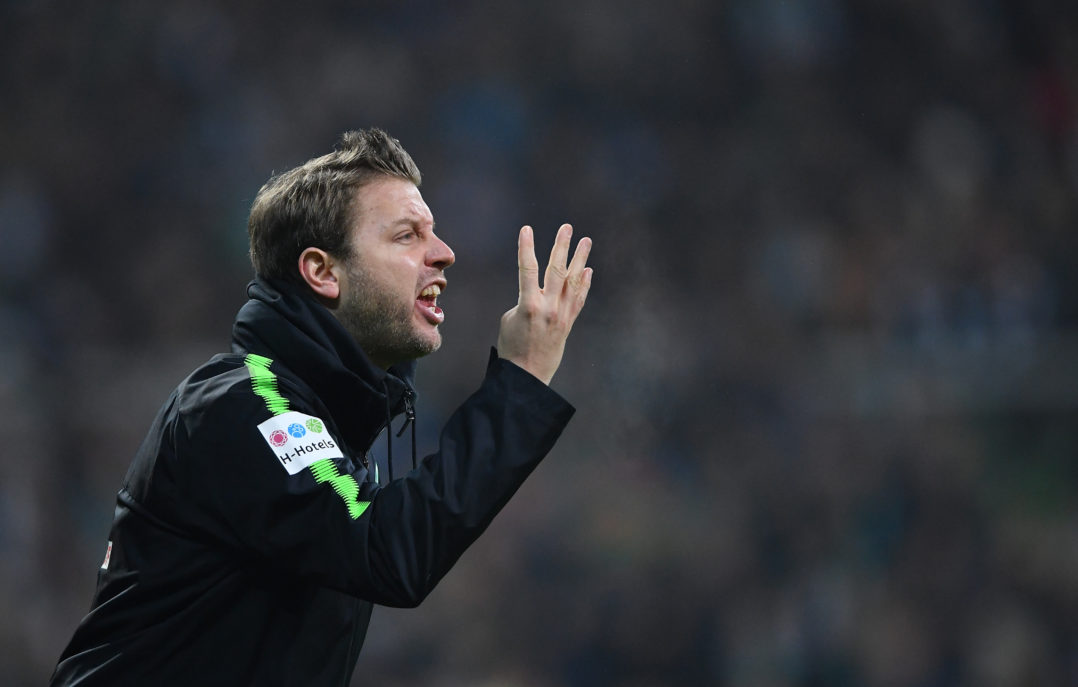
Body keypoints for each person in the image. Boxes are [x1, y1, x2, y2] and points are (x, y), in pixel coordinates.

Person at [50, 128, 593, 686]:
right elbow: (387, 552)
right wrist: (521, 381)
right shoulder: (242, 403)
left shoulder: (335, 433)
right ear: (323, 272)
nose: (444, 253)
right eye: (407, 235)